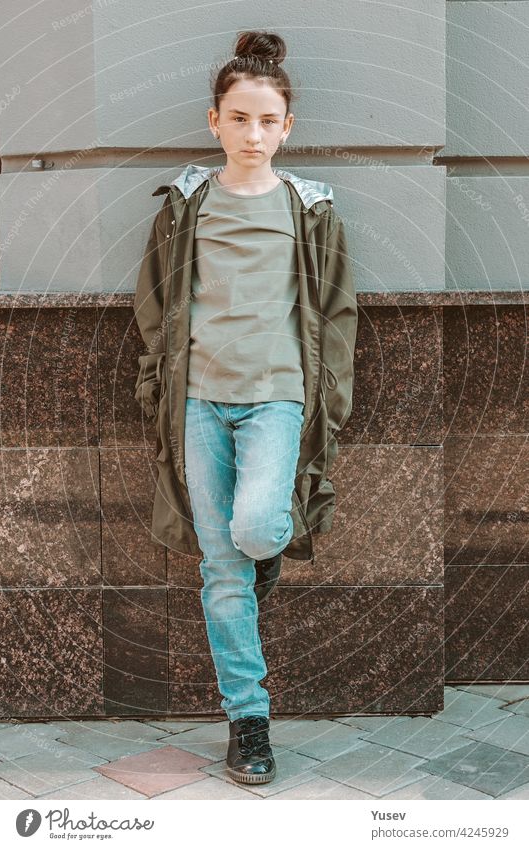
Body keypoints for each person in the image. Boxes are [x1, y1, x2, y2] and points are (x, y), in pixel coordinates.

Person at [133, 29, 358, 785]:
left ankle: (261, 563)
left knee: (258, 529)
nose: (252, 134)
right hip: (196, 401)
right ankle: (248, 721)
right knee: (221, 571)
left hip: (275, 399)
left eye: (267, 121)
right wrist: (155, 380)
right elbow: (156, 300)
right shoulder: (187, 203)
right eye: (238, 118)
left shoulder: (311, 208)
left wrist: (328, 395)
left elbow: (334, 311)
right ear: (214, 121)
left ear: (286, 127)